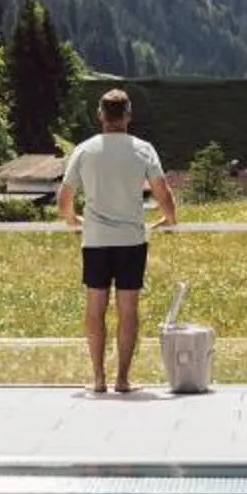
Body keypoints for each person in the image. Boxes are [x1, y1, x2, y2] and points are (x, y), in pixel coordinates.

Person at [56, 88, 176, 393]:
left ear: (100, 115)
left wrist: (73, 220)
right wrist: (169, 219)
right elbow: (163, 192)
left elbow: (64, 199)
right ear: (128, 116)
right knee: (128, 310)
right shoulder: (143, 149)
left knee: (95, 308)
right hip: (131, 241)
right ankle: (122, 379)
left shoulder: (84, 150)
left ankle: (98, 378)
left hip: (95, 240)